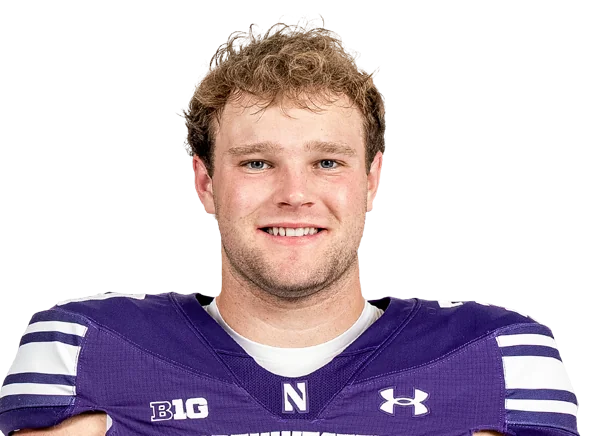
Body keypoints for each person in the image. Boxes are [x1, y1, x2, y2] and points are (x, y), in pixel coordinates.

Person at [0, 13, 578, 436]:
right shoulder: (86, 353)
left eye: (327, 162)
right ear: (205, 182)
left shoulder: (496, 360)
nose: (295, 194)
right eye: (257, 163)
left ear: (372, 180)